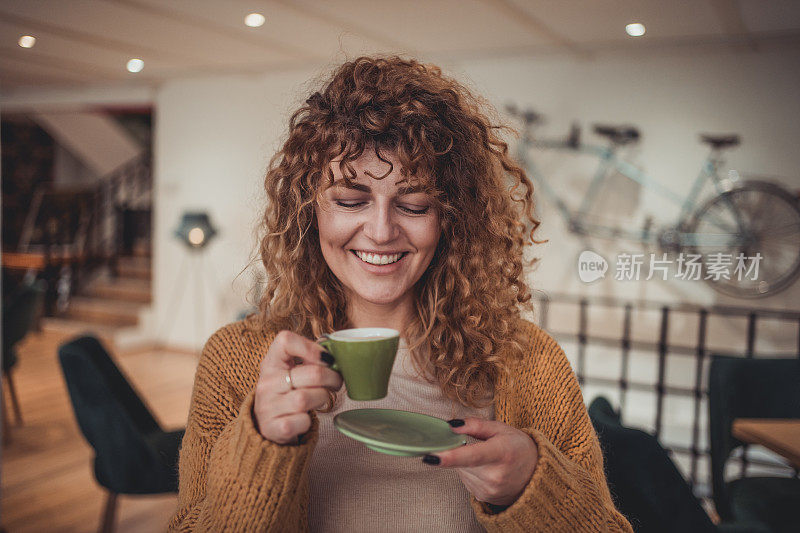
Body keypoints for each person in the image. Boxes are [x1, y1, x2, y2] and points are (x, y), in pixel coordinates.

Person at [169, 56, 632, 532]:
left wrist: (532, 485)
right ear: (310, 211)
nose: (382, 230)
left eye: (413, 204)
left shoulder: (527, 362)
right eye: (351, 201)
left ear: (451, 217)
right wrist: (261, 444)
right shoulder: (236, 361)